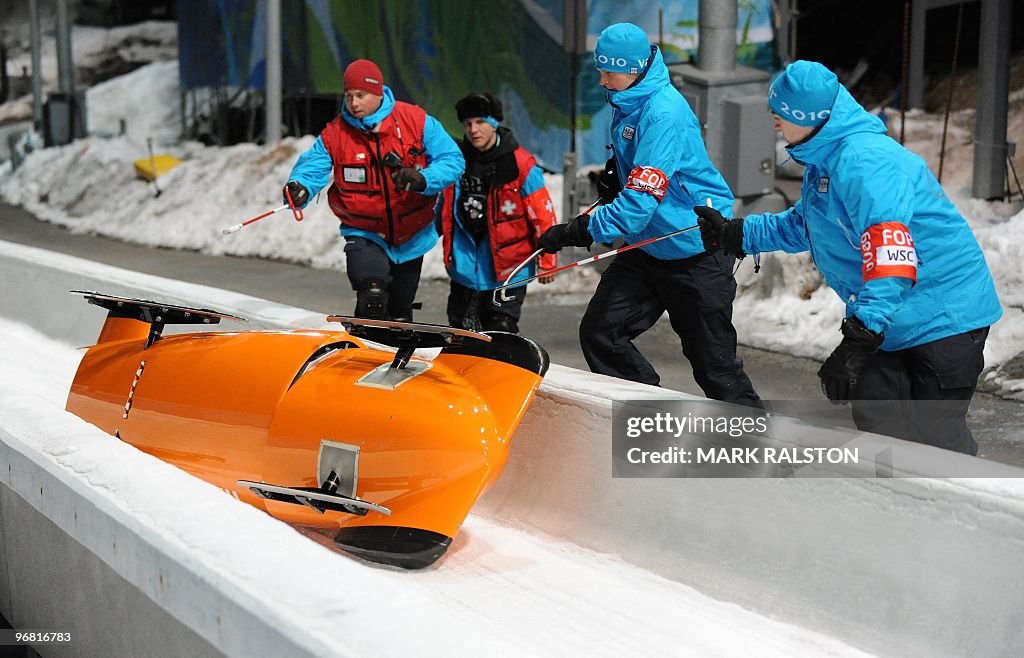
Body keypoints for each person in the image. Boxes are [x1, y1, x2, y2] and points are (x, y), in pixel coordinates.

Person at [695, 60, 1002, 454]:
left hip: (945, 315)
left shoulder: (864, 162)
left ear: (806, 116)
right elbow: (809, 223)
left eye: (779, 113)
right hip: (895, 314)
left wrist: (860, 337)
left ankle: (967, 507)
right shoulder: (826, 157)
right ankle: (893, 507)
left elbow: (891, 256)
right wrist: (736, 233)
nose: (773, 120)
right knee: (880, 420)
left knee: (933, 434)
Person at [536, 22, 761, 406]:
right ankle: (655, 418)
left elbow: (638, 207)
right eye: (599, 69)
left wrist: (579, 230)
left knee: (715, 367)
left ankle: (764, 454)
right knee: (601, 333)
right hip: (649, 246)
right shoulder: (629, 97)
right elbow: (644, 178)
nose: (602, 80)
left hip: (694, 246)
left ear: (634, 67)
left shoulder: (663, 114)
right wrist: (615, 173)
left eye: (609, 71)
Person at [283, 59, 464, 321]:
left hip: (411, 232)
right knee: (373, 295)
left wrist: (423, 179)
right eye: (348, 96)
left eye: (360, 95)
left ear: (378, 93)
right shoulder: (336, 133)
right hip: (364, 230)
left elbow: (453, 160)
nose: (353, 103)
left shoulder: (415, 120)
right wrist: (300, 188)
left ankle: (395, 347)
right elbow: (313, 167)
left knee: (400, 308)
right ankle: (367, 342)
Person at [436, 92, 557, 332]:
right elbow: (442, 212)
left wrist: (548, 260)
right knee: (460, 331)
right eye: (468, 124)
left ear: (494, 123)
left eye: (480, 122)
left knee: (500, 331)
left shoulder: (521, 165)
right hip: (464, 268)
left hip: (509, 270)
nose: (473, 129)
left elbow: (543, 217)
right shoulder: (457, 161)